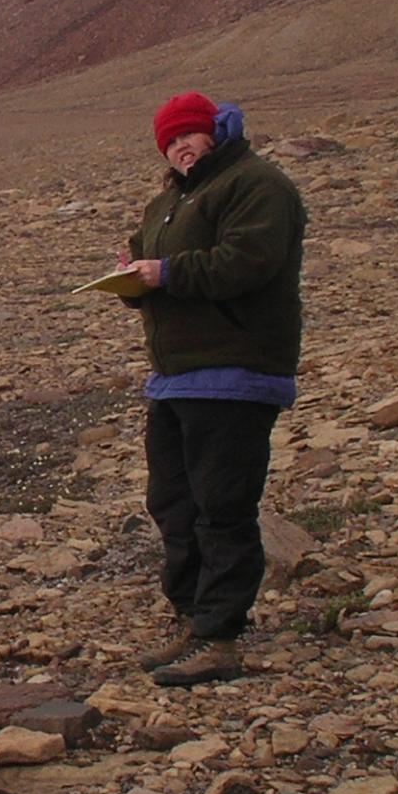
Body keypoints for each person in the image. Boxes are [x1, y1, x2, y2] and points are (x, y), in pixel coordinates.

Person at [115, 91, 306, 685]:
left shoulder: (256, 184)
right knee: (173, 503)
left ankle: (219, 637)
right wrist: (131, 276)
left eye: (189, 136)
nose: (180, 148)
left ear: (215, 133)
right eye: (170, 142)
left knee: (222, 505)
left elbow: (247, 261)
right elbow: (156, 275)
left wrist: (164, 272)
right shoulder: (168, 203)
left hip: (237, 371)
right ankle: (192, 619)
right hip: (175, 378)